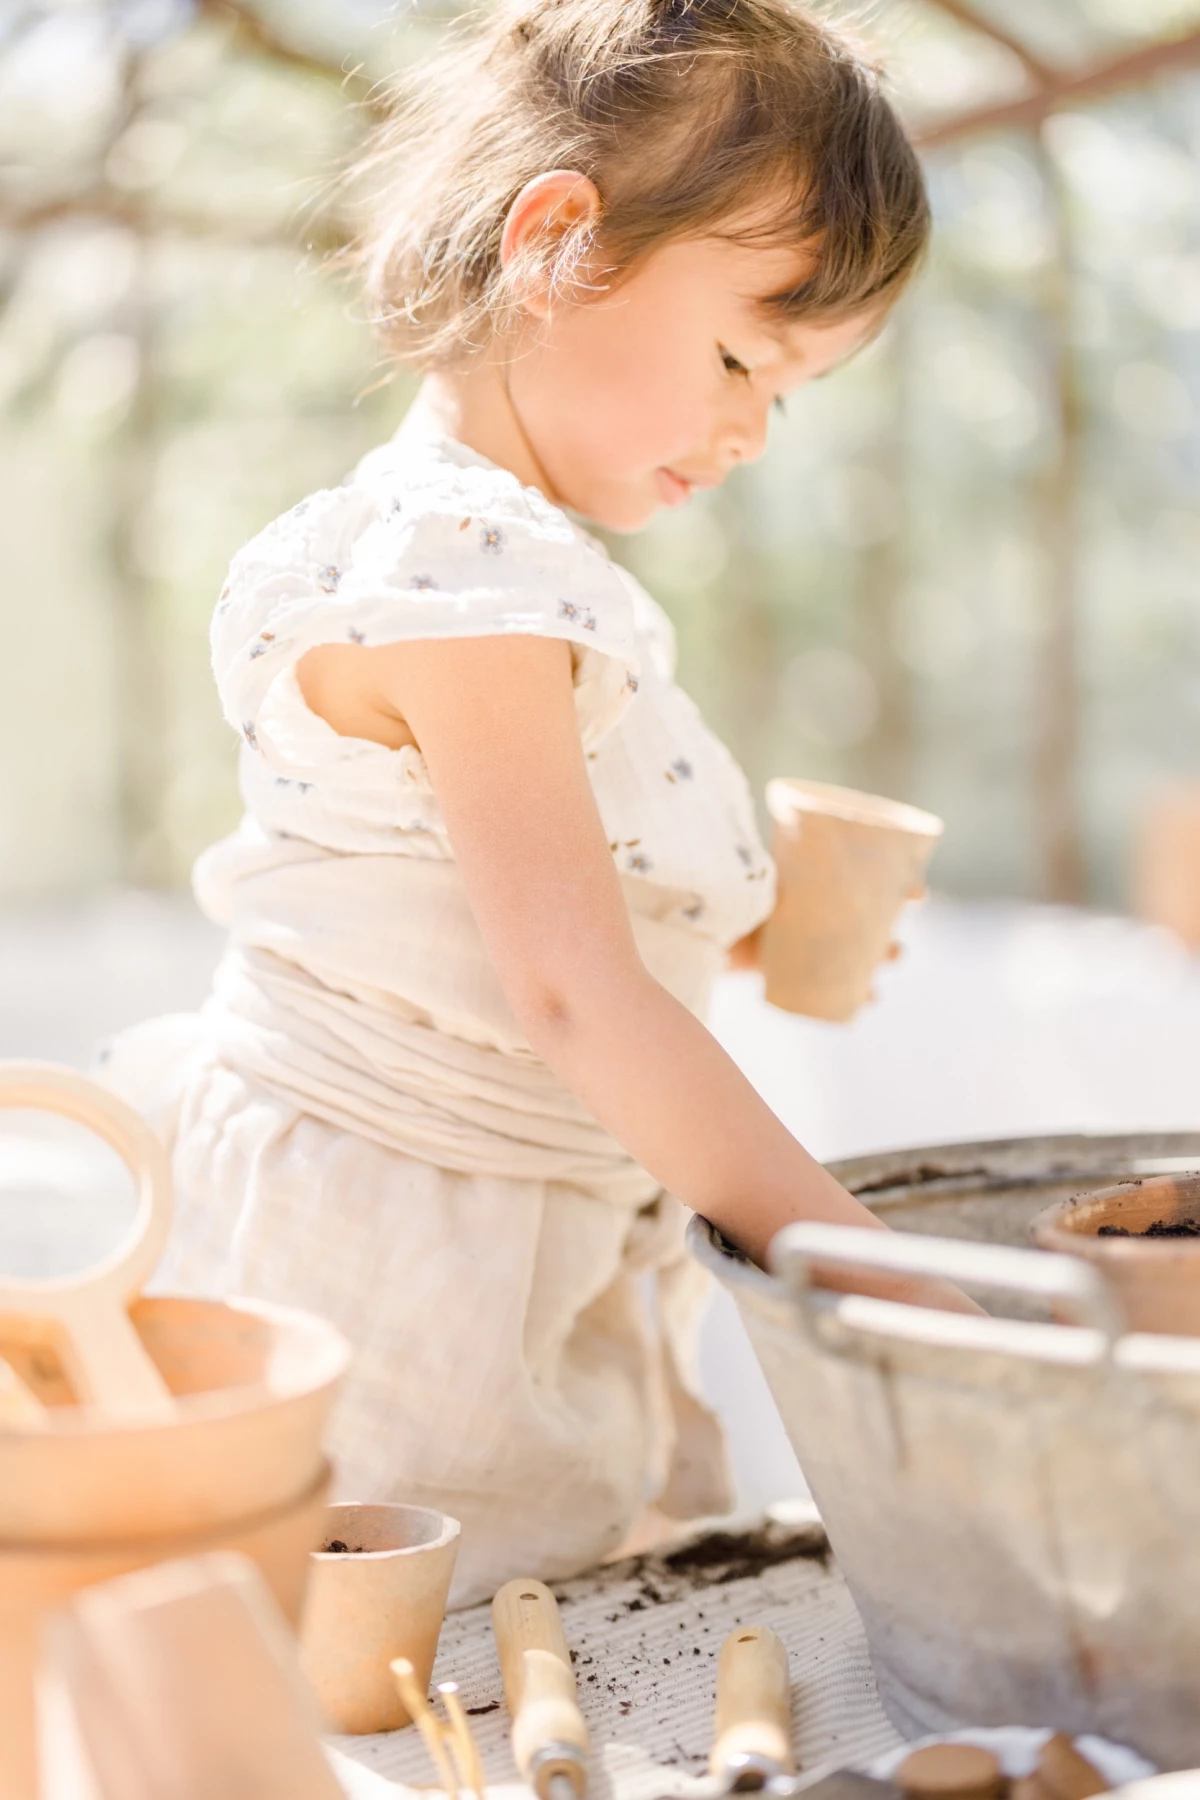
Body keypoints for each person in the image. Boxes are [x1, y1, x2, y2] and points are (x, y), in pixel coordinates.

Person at [101, 0, 945, 1606]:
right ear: (556, 241)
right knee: (382, 1677)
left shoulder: (522, 573)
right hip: (398, 1270)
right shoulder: (456, 570)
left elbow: (517, 921)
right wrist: (869, 1264)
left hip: (525, 1250)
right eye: (738, 356)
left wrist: (766, 936)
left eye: (792, 392)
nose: (753, 428)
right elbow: (569, 992)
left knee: (525, 1666)